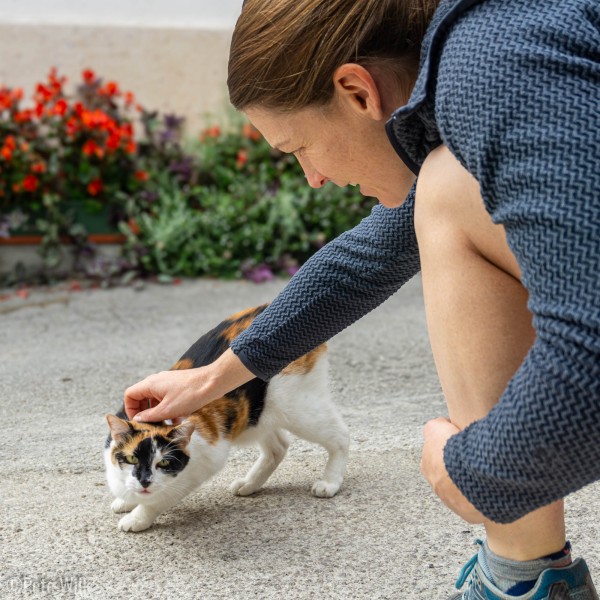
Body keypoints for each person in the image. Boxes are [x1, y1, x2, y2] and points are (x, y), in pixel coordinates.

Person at [124, 0, 600, 597]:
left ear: (355, 90)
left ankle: (521, 575)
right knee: (443, 193)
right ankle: (529, 578)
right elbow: (369, 257)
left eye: (298, 148)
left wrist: (479, 473)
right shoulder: (475, 66)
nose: (312, 178)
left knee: (448, 191)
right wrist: (214, 377)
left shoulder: (499, 61)